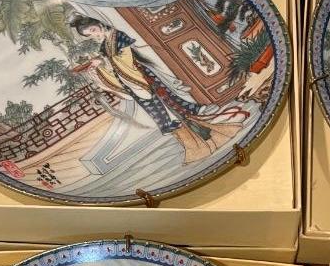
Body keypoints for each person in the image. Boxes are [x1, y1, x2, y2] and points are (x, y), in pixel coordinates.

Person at [69, 15, 243, 165]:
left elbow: (126, 59)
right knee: (159, 113)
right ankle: (193, 145)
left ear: (99, 24)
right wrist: (99, 67)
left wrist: (106, 63)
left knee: (168, 103)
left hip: (140, 76)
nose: (94, 35)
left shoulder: (117, 36)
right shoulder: (104, 46)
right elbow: (113, 66)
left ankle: (204, 136)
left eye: (93, 30)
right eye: (89, 35)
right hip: (129, 81)